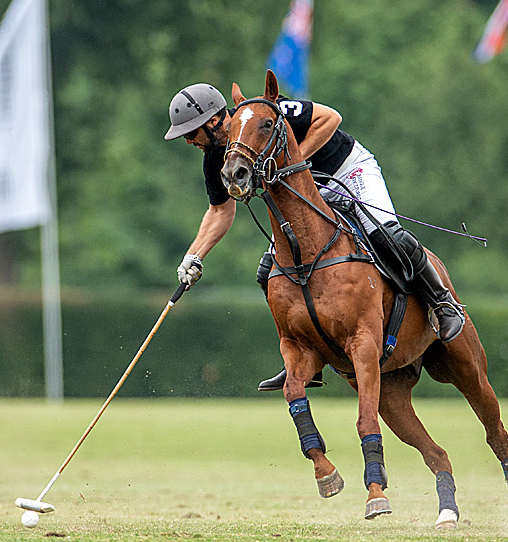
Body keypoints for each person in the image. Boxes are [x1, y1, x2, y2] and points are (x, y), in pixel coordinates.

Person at [164, 83, 465, 392]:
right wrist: (194, 255)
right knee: (269, 272)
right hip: (304, 197)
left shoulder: (269, 113)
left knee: (387, 235)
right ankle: (300, 356)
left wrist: (294, 164)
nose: (189, 141)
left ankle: (443, 304)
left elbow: (331, 117)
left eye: (191, 133)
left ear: (213, 121)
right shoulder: (218, 158)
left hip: (346, 170)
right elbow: (220, 211)